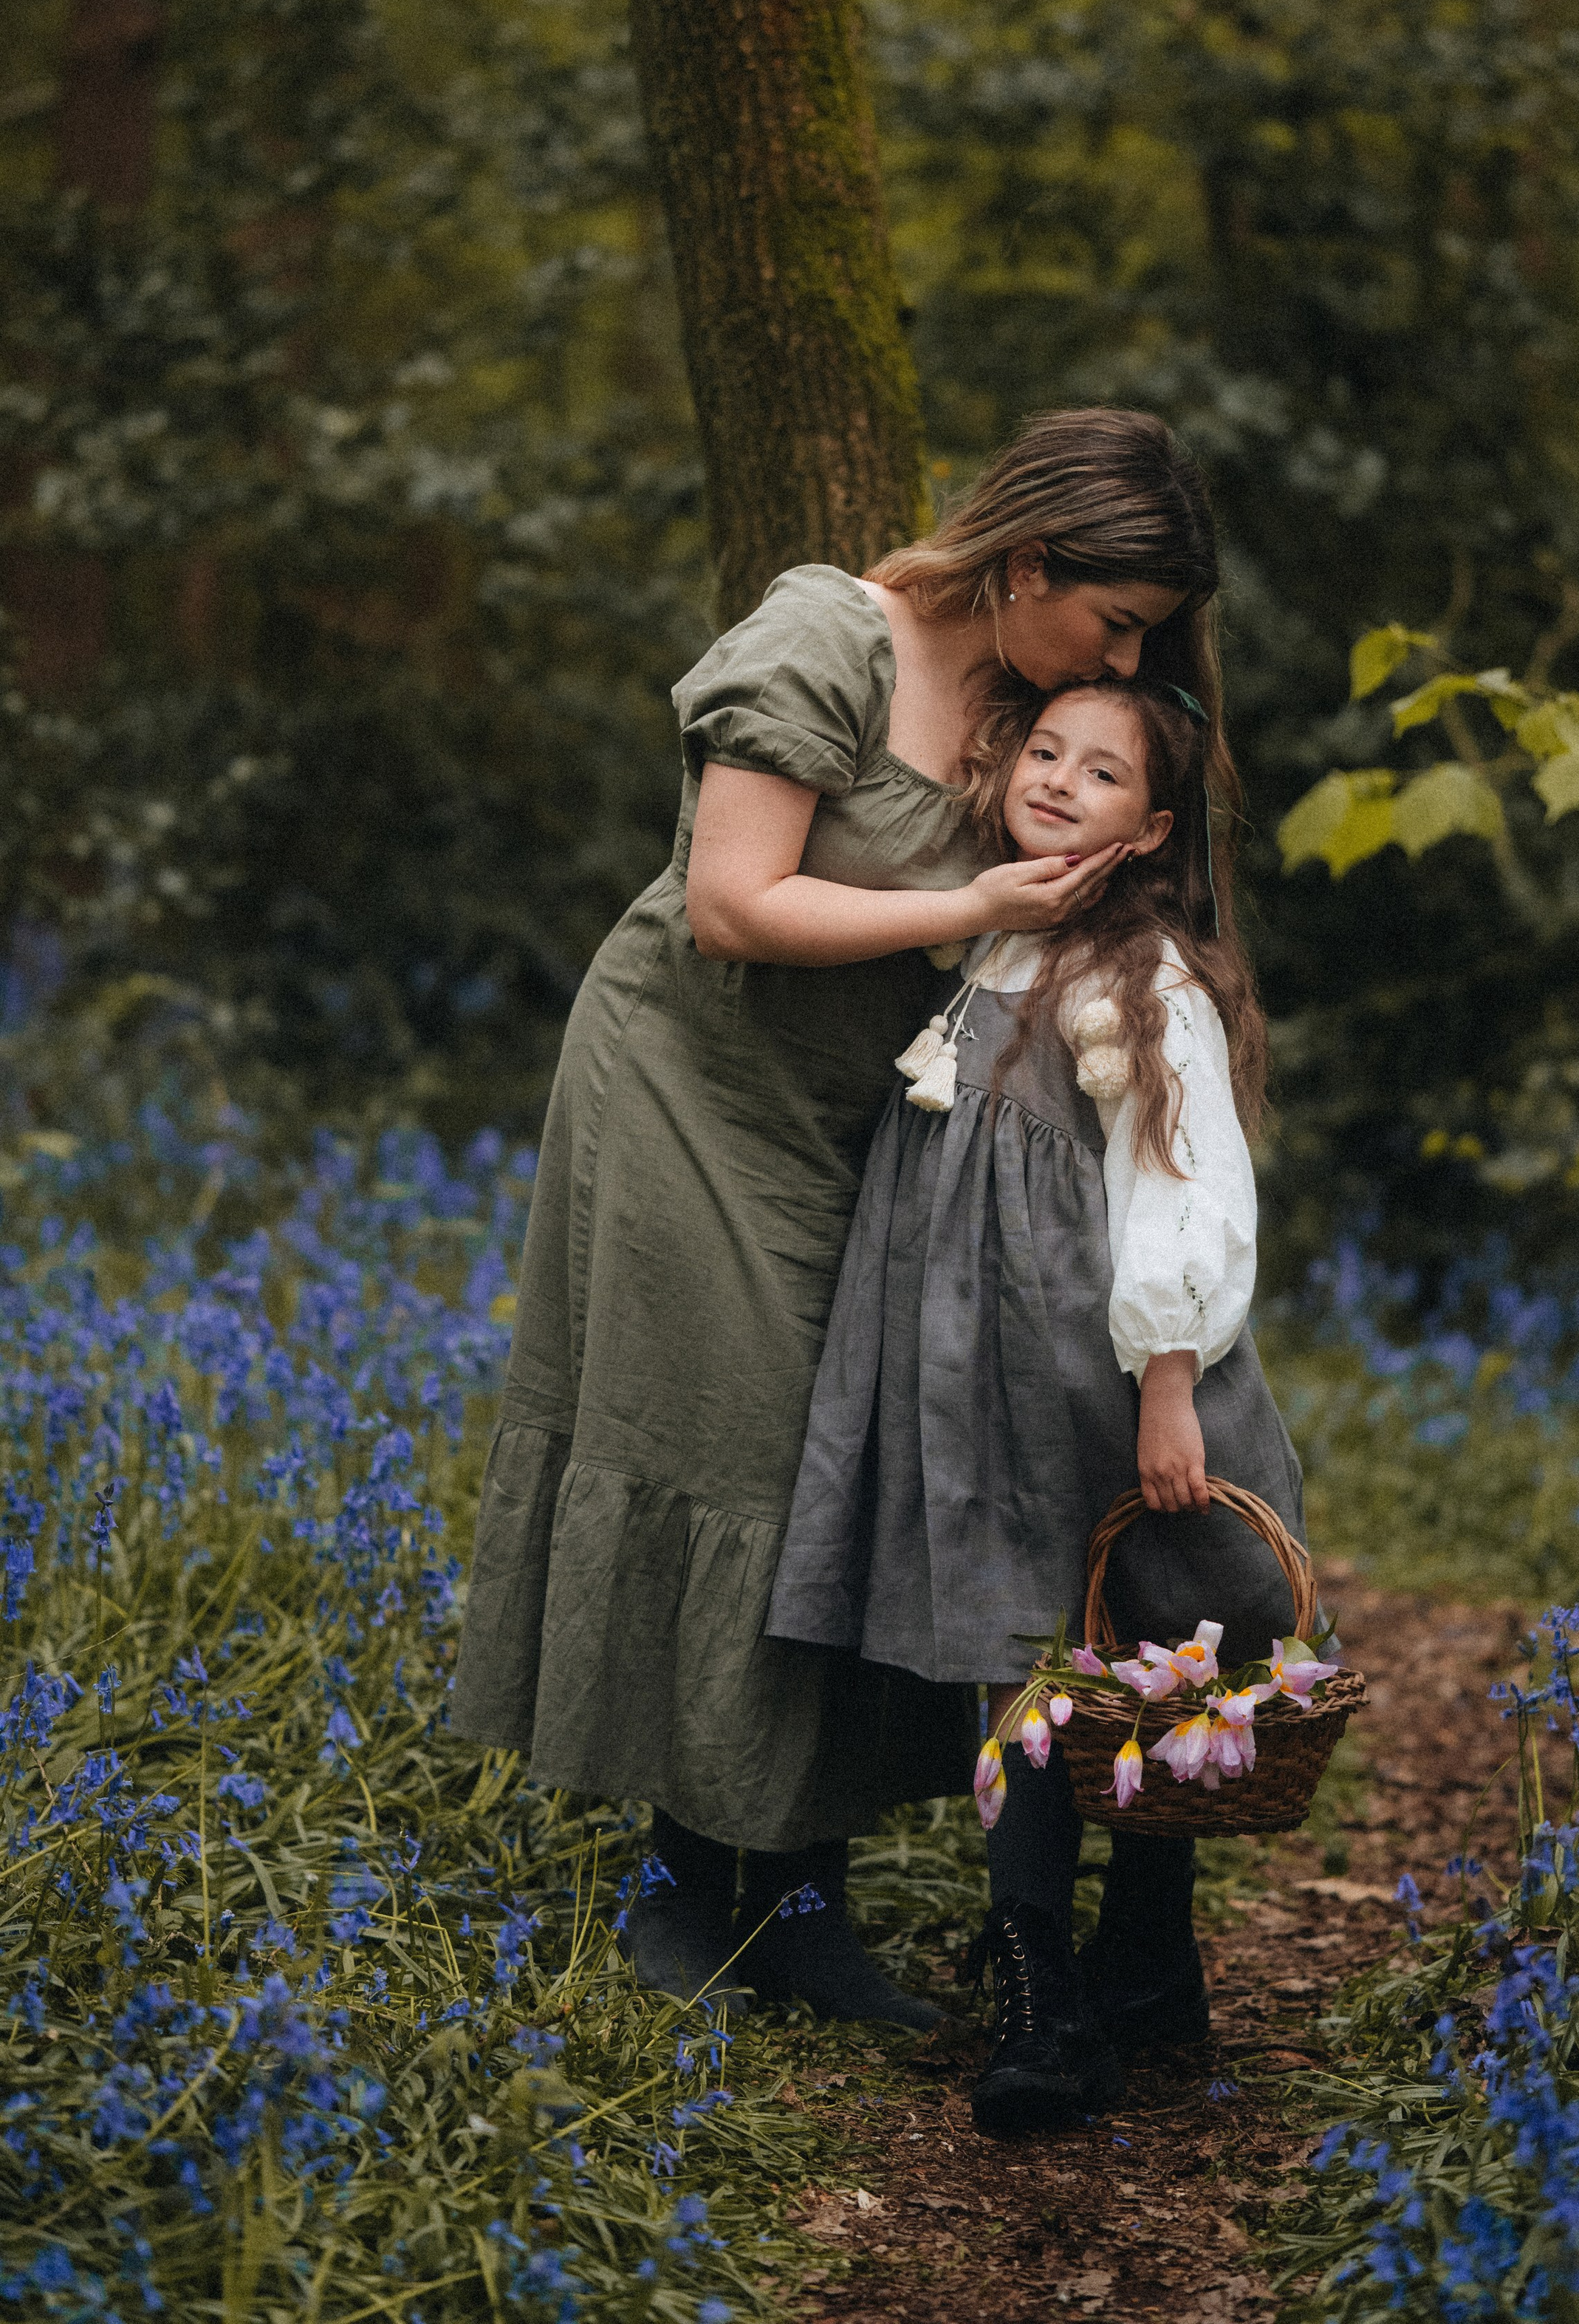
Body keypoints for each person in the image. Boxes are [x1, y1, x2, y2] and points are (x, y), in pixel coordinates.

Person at [450, 409, 1230, 2030]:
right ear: (1028, 564)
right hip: (692, 1092)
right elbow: (736, 904)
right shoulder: (827, 634)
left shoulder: (1036, 702)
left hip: (872, 1132)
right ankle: (682, 1885)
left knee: (839, 1472)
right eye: (1116, 617)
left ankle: (803, 1901)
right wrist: (972, 904)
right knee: (724, 1448)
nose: (1127, 653)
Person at [767, 674, 1306, 2128]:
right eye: (1046, 752)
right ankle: (1039, 1983)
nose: (1060, 781)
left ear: (1153, 826)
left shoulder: (1144, 981)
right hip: (970, 1394)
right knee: (1015, 1663)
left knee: (1144, 1649)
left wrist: (1169, 1384)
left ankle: (1139, 1948)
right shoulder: (990, 936)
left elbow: (1182, 1191)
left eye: (1103, 772)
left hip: (1101, 1384)